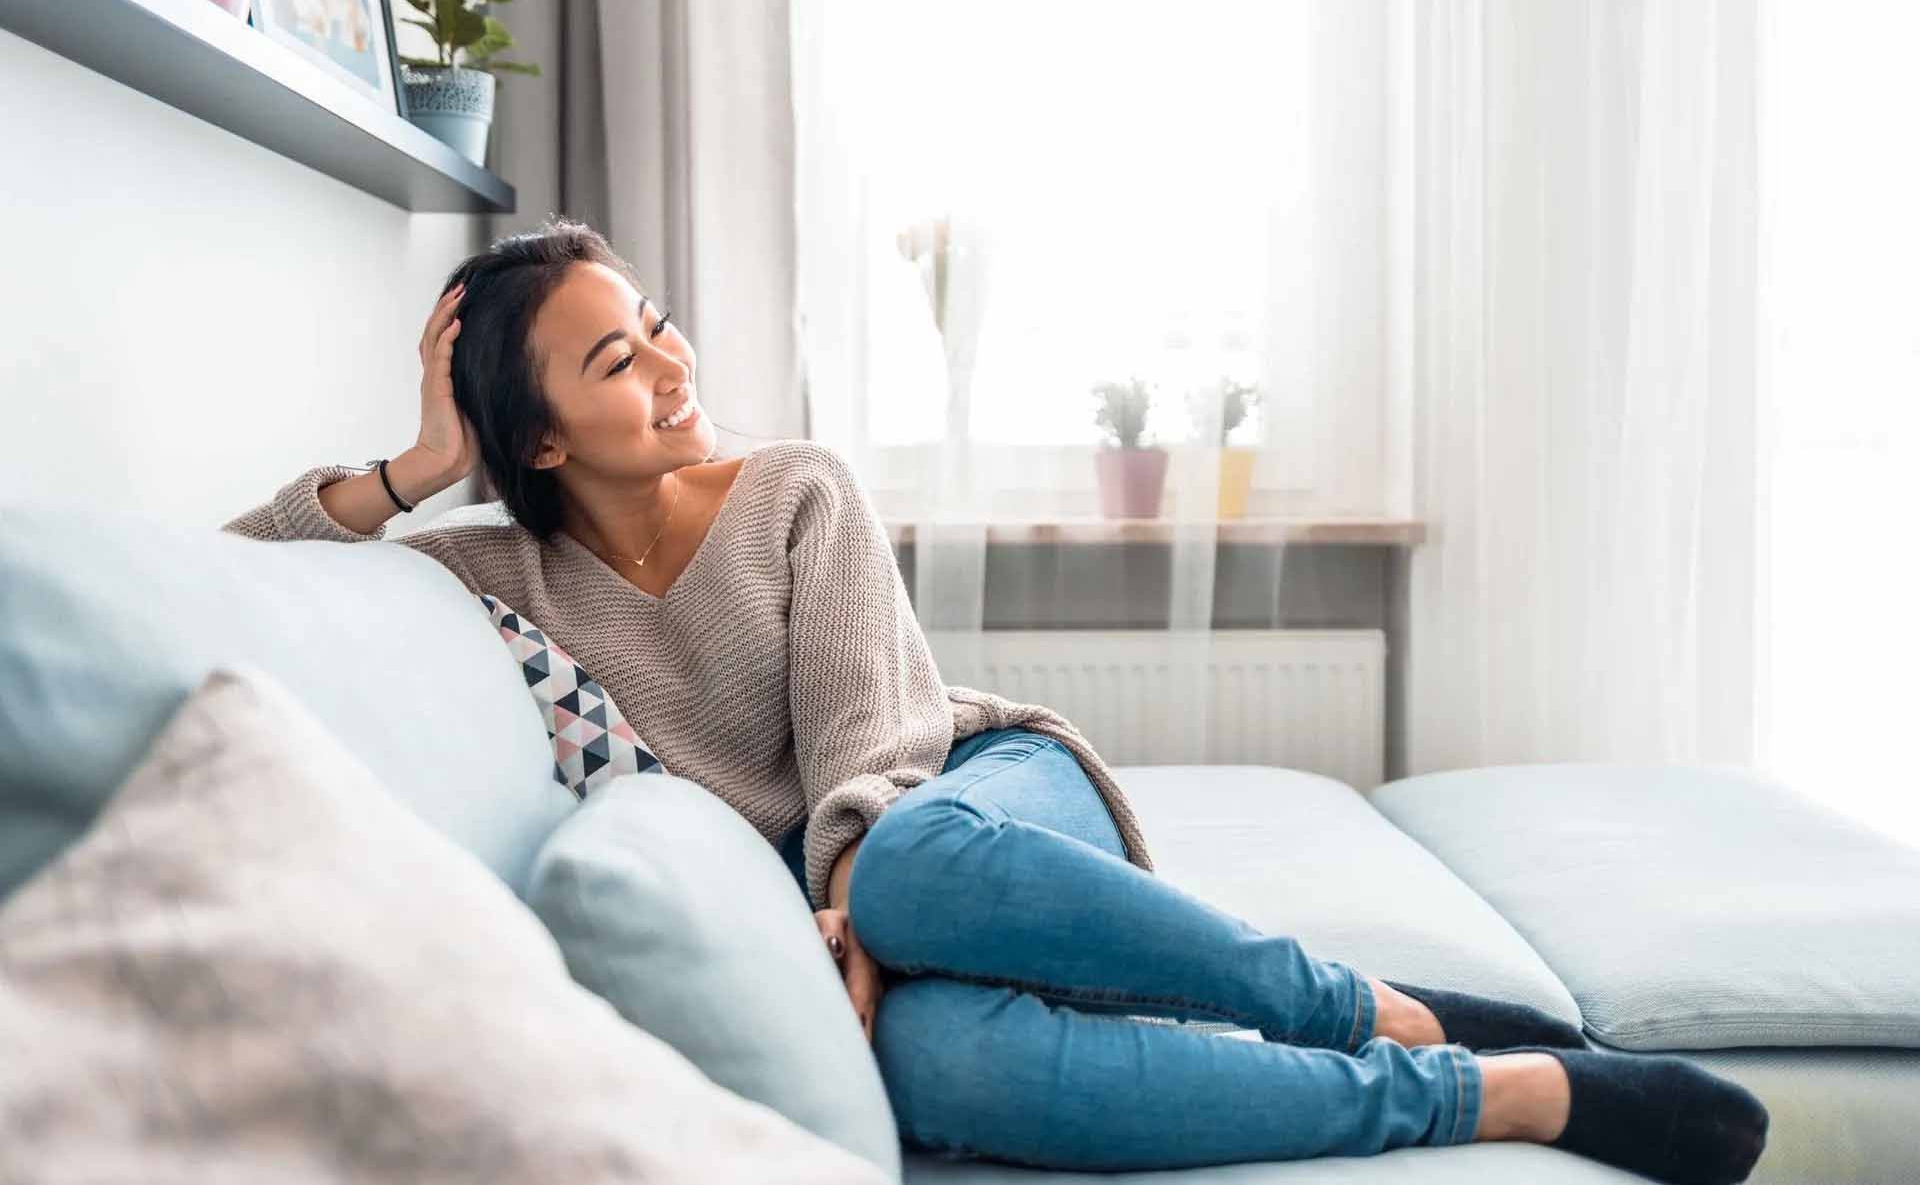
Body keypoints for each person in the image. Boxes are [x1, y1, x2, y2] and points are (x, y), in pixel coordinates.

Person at [222, 219, 1767, 1183]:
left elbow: (872, 753)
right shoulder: (499, 573)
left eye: (658, 322)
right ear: (541, 443)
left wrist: (846, 894)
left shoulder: (790, 487)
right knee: (942, 1076)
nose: (673, 366)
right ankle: (1483, 1086)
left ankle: (1346, 1001)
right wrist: (418, 467)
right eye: (617, 360)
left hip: (970, 797)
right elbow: (239, 573)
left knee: (901, 855)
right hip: (870, 896)